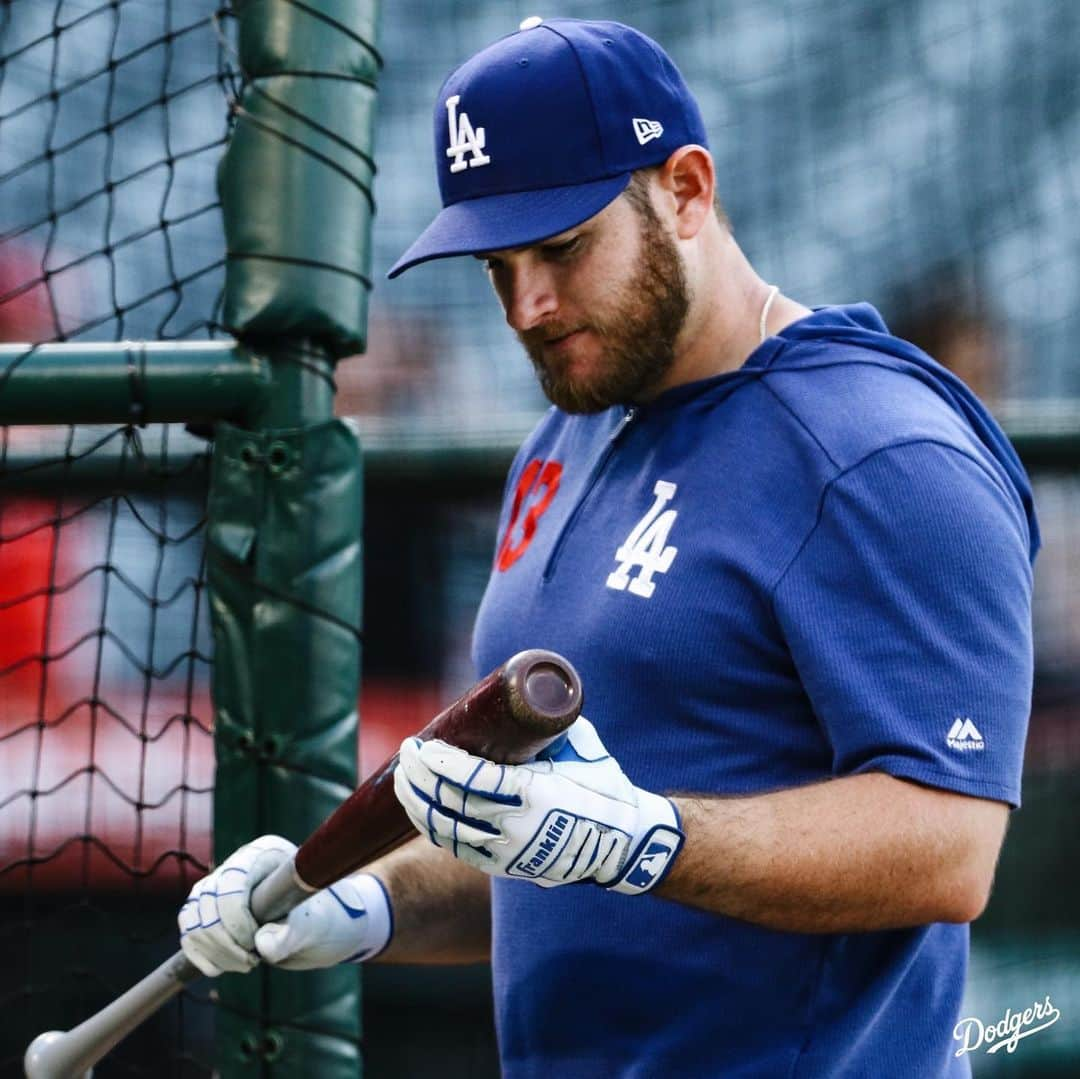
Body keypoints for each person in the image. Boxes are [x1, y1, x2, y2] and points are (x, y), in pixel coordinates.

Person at [178, 17, 1039, 1077]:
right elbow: (550, 849)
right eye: (498, 263)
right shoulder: (567, 435)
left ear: (685, 189)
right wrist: (360, 898)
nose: (528, 304)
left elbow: (949, 848)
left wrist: (646, 839)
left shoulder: (879, 447)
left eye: (565, 245)